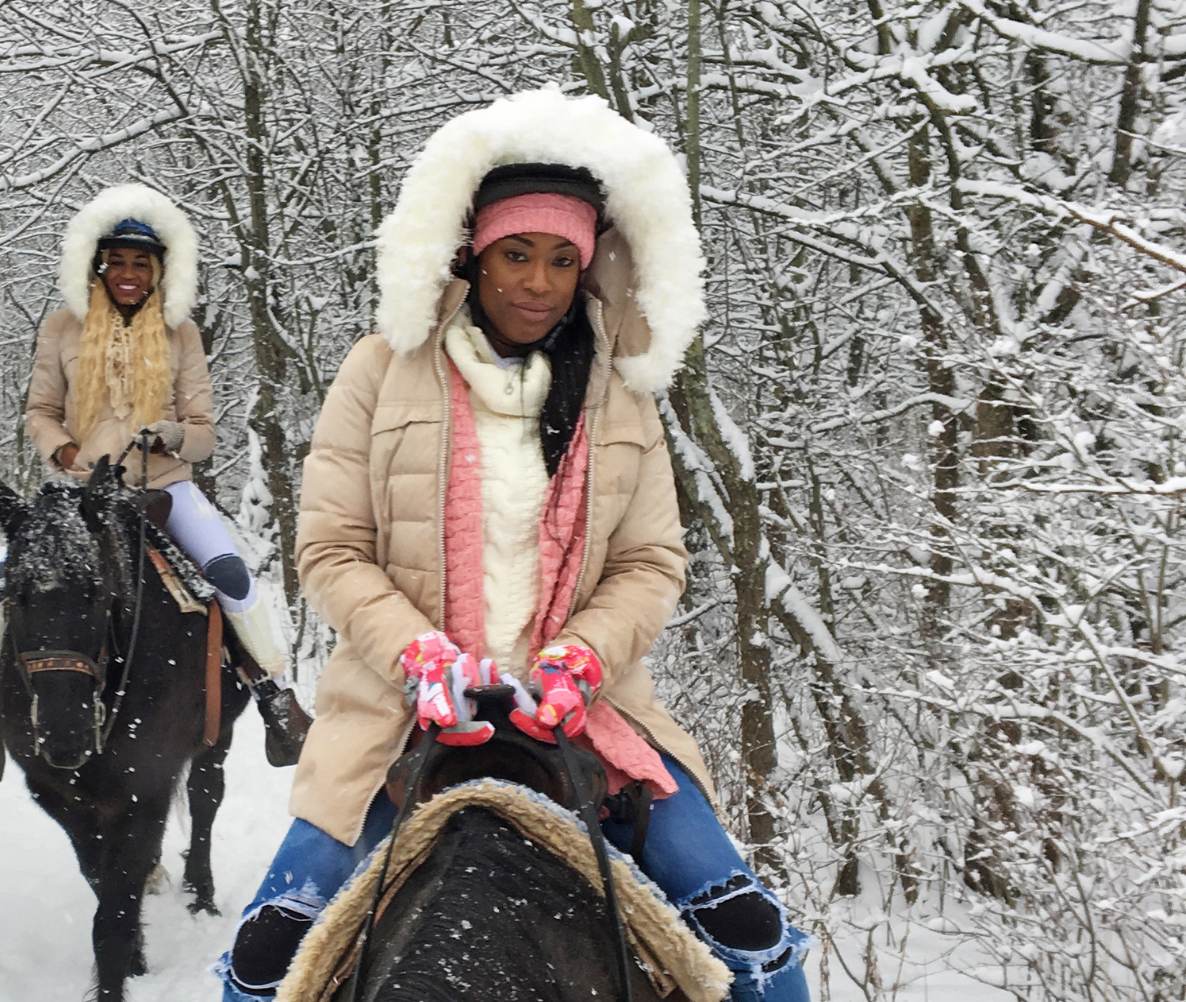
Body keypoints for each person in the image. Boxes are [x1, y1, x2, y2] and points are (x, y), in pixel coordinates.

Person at [220, 88, 811, 1001]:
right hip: (396, 721)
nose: (537, 282)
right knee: (262, 969)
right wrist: (420, 655)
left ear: (588, 268)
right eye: (516, 254)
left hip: (588, 718)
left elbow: (652, 562)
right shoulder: (380, 367)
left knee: (759, 947)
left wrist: (581, 658)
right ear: (472, 256)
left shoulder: (623, 393)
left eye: (561, 259)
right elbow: (332, 548)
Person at [0, 183, 312, 784]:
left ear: (160, 269)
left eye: (141, 263)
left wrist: (171, 433)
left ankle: (277, 696)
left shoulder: (180, 333)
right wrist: (62, 448)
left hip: (164, 490)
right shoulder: (62, 328)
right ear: (97, 265)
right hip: (80, 494)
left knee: (230, 576)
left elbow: (205, 432)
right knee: (0, 584)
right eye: (117, 261)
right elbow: (38, 411)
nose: (128, 273)